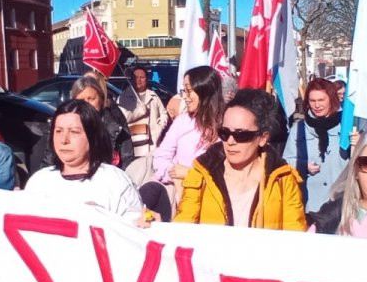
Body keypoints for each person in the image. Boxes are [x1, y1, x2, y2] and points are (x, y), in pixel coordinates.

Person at [175, 88, 306, 230]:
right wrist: (153, 228)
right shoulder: (201, 173)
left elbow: (295, 237)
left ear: (263, 138)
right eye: (224, 133)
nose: (230, 141)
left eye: (241, 135)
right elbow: (182, 228)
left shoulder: (283, 179)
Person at [24, 99, 145, 221]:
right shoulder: (39, 182)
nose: (64, 140)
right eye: (59, 131)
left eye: (74, 132)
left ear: (93, 137)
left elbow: (134, 231)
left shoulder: (115, 181)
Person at [153, 65, 223, 203]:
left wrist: (191, 174)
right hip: (180, 199)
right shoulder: (182, 121)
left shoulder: (227, 125)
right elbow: (160, 157)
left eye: (189, 91)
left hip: (214, 202)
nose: (184, 97)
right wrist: (172, 173)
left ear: (204, 90)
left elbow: (227, 173)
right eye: (183, 91)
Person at [284, 78, 350, 214]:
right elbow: (285, 162)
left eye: (321, 100)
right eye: (312, 101)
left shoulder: (347, 127)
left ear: (331, 99)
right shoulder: (299, 128)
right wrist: (302, 166)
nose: (317, 105)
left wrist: (359, 143)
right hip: (309, 206)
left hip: (340, 205)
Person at [117, 65, 168, 185]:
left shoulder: (153, 96)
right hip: (135, 144)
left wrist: (159, 126)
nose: (139, 80)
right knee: (136, 175)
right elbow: (123, 117)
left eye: (142, 77)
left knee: (151, 174)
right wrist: (140, 111)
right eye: (136, 77)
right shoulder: (124, 97)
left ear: (147, 79)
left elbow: (163, 113)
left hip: (152, 142)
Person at [72, 74, 133, 169]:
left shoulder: (115, 125)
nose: (86, 104)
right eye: (81, 100)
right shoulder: (62, 125)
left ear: (101, 99)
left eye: (91, 99)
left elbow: (128, 160)